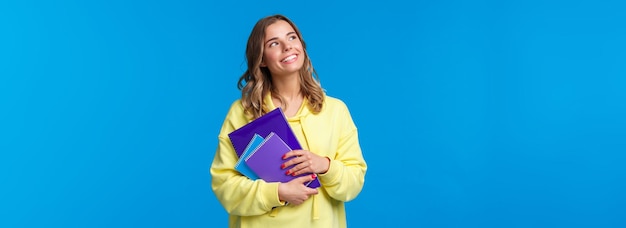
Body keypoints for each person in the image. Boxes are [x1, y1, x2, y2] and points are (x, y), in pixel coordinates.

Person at [210, 14, 367, 228]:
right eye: (274, 43)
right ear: (262, 59)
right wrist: (278, 192)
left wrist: (325, 166)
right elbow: (224, 185)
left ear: (302, 45)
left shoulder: (335, 110)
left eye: (292, 38)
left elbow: (354, 182)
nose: (287, 47)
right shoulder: (242, 113)